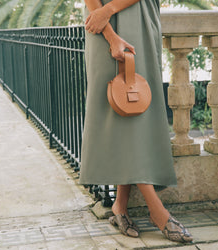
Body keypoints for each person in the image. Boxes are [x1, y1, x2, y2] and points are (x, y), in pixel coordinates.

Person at [79, 0, 193, 243]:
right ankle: (157, 211)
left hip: (138, 19)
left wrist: (107, 11)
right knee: (117, 108)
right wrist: (109, 32)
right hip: (102, 23)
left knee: (135, 108)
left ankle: (120, 205)